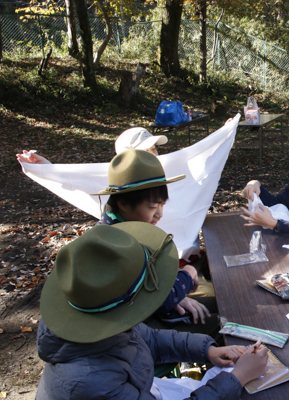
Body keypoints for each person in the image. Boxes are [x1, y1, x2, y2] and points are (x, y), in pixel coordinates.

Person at [35, 222, 268, 399]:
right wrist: (238, 378)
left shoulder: (101, 320)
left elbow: (149, 339)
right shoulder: (91, 380)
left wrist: (207, 351)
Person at [92, 149, 216, 334]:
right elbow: (159, 300)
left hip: (148, 309)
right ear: (123, 204)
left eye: (162, 205)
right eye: (152, 207)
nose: (159, 214)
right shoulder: (121, 244)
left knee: (217, 304)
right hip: (132, 329)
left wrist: (174, 292)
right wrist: (188, 276)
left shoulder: (119, 225)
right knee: (222, 323)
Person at [16, 127, 167, 164]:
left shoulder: (168, 169)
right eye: (145, 151)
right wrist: (45, 168)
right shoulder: (112, 180)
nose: (153, 155)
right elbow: (78, 181)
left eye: (153, 149)